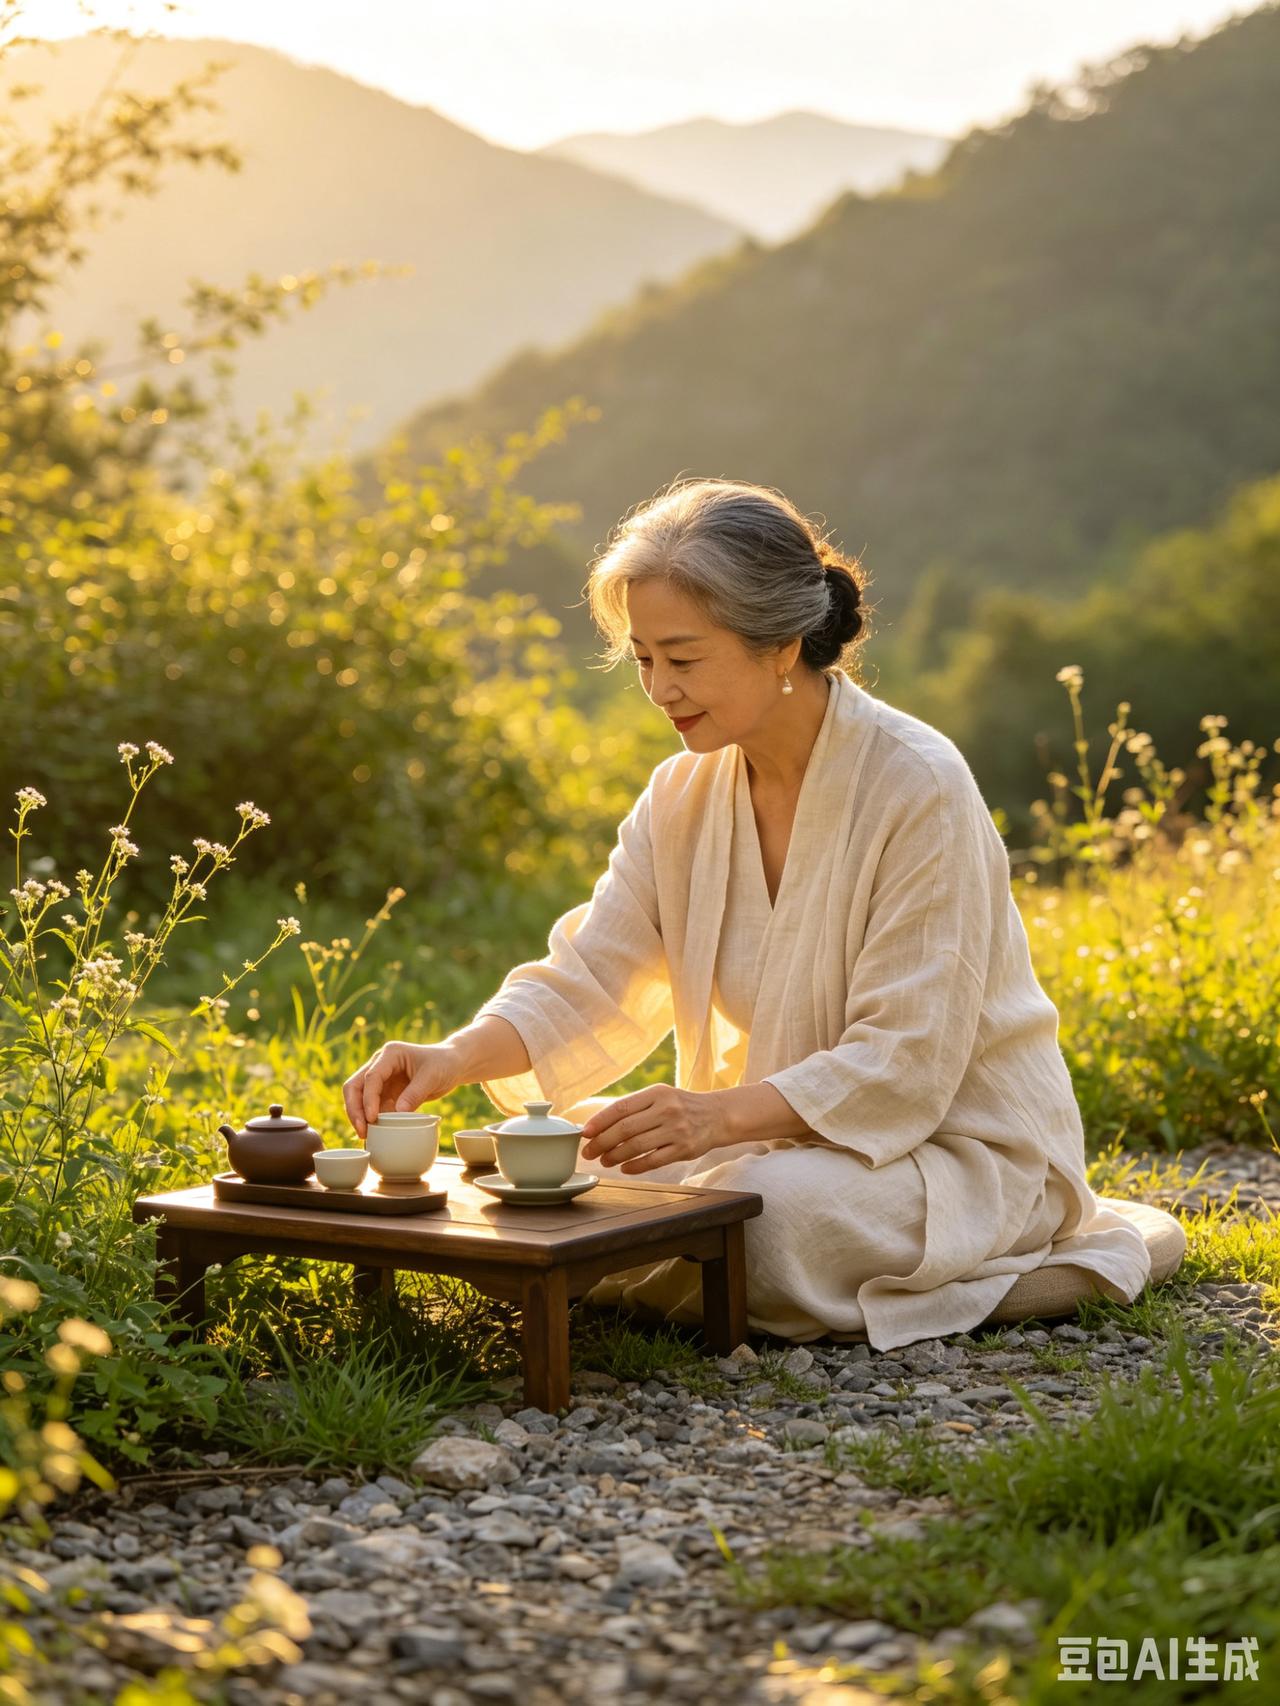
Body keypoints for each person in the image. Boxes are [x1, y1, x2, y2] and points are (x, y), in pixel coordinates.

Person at [342, 476, 1153, 1351]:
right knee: (526, 1159)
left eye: (683, 659)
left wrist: (711, 1119)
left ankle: (612, 1268)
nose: (657, 687)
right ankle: (626, 1258)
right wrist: (452, 1057)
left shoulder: (917, 783)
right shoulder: (681, 793)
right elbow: (593, 975)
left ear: (782, 645)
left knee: (765, 1225)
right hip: (757, 1140)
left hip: (948, 1153)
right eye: (643, 658)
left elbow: (906, 1058)